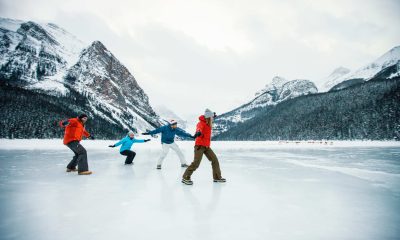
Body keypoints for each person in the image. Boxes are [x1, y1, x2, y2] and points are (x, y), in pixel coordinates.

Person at [182, 109, 226, 185]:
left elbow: (210, 117)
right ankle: (185, 177)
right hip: (199, 146)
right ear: (208, 117)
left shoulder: (208, 122)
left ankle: (217, 177)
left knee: (214, 160)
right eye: (212, 117)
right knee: (196, 163)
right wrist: (198, 132)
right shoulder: (201, 123)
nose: (213, 118)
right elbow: (199, 128)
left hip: (206, 146)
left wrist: (213, 115)